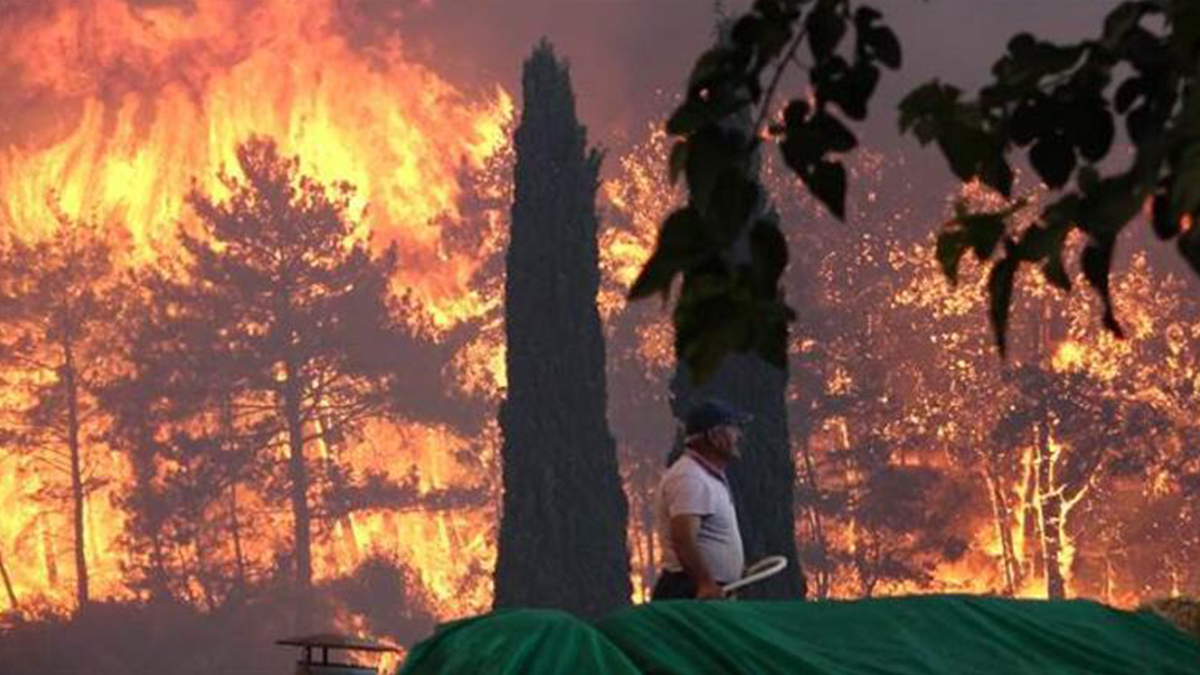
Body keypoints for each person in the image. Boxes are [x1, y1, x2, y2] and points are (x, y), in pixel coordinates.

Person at [652, 399, 749, 601]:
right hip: (690, 592)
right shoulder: (690, 477)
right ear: (714, 436)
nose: (740, 436)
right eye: (734, 429)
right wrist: (705, 583)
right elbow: (683, 537)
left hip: (707, 591)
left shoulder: (705, 476)